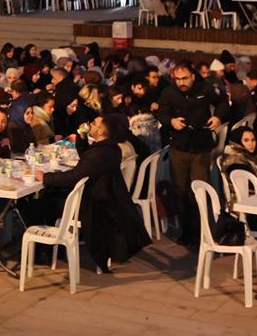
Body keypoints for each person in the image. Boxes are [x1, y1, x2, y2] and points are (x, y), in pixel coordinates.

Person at [34, 114, 149, 274]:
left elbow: (74, 176)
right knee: (49, 196)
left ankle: (43, 248)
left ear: (101, 131)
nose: (90, 125)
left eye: (94, 123)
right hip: (102, 200)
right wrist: (81, 139)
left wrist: (45, 177)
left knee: (44, 201)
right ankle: (47, 247)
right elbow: (87, 160)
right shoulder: (109, 148)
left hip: (93, 205)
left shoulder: (102, 153)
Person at [156, 63, 225, 244]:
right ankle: (186, 230)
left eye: (184, 78)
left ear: (192, 76)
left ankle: (201, 229)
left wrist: (218, 116)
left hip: (201, 144)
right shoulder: (169, 92)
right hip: (179, 144)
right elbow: (161, 112)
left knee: (199, 188)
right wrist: (171, 121)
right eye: (178, 79)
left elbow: (223, 102)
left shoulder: (206, 88)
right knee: (180, 189)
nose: (181, 82)